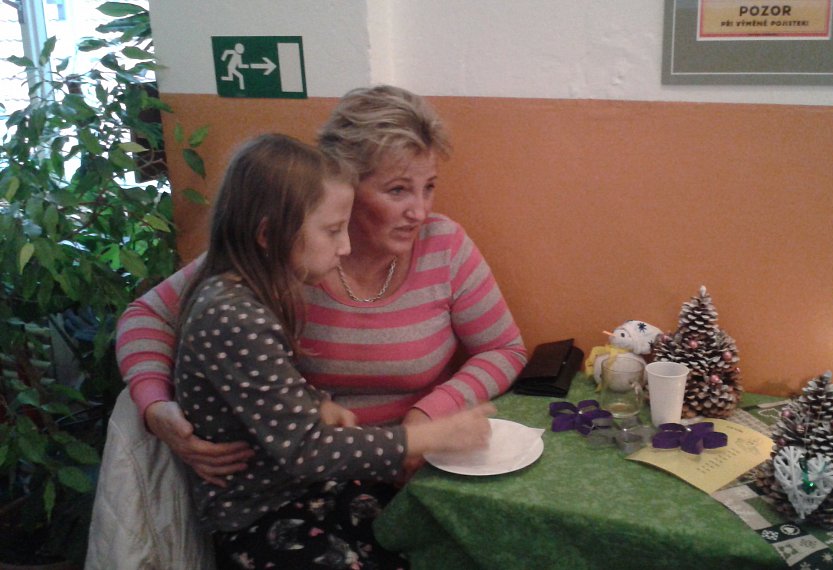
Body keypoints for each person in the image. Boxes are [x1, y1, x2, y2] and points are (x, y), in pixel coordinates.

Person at [115, 85, 527, 486]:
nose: (419, 212)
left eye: (429, 187)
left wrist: (430, 416)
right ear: (343, 185)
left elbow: (504, 349)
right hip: (307, 477)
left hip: (417, 463)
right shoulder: (284, 255)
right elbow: (147, 316)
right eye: (398, 190)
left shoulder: (444, 245)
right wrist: (154, 405)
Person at [171, 133, 495, 568]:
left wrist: (314, 402)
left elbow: (268, 387)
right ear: (268, 234)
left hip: (308, 491)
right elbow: (306, 452)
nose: (344, 246)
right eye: (332, 231)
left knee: (430, 538)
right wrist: (431, 436)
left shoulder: (254, 292)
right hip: (259, 513)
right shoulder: (233, 314)